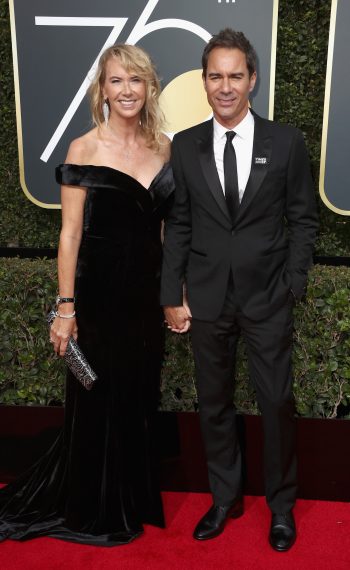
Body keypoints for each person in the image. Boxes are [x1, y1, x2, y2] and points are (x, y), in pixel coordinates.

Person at [0, 44, 174, 546]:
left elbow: (165, 233)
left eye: (136, 80)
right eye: (116, 81)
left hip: (143, 300)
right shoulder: (83, 148)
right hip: (96, 301)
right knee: (96, 398)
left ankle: (134, 496)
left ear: (149, 87)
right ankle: (94, 505)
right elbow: (70, 235)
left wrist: (171, 291)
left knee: (139, 396)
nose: (127, 90)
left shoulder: (165, 148)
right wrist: (65, 308)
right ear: (102, 90)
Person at [161, 29, 318, 552]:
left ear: (252, 79)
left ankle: (281, 507)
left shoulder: (287, 141)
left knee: (276, 401)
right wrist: (170, 292)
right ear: (203, 82)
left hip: (268, 296)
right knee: (214, 404)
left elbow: (303, 218)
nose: (224, 86)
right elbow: (178, 224)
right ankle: (223, 498)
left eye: (235, 75)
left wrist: (293, 283)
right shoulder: (184, 146)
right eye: (215, 76)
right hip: (206, 298)